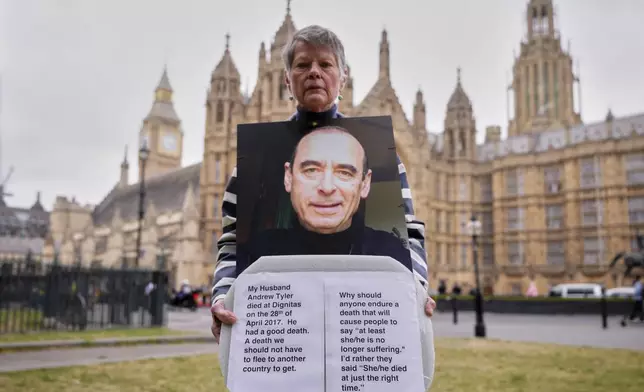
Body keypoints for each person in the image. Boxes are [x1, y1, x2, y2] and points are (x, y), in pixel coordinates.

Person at [210, 24, 435, 342]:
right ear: (287, 79)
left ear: (343, 77)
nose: (314, 72)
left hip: (360, 332)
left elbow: (408, 234)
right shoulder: (254, 162)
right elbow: (232, 242)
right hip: (280, 333)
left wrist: (416, 288)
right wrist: (222, 296)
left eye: (325, 64)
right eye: (303, 64)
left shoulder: (379, 154)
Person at [240, 125, 412, 273]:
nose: (327, 187)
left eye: (344, 173)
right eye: (311, 170)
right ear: (288, 178)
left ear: (365, 184)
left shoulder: (394, 255)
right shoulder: (253, 254)